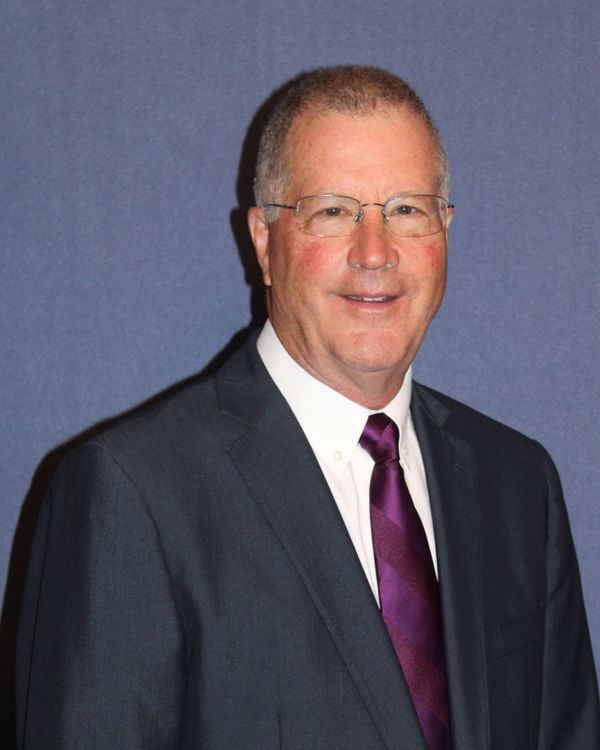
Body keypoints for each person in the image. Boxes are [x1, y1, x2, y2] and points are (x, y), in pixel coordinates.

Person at [16, 66, 599, 749]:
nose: (375, 252)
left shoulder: (518, 483)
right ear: (265, 242)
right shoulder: (133, 494)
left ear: (446, 232)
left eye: (407, 210)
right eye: (333, 211)